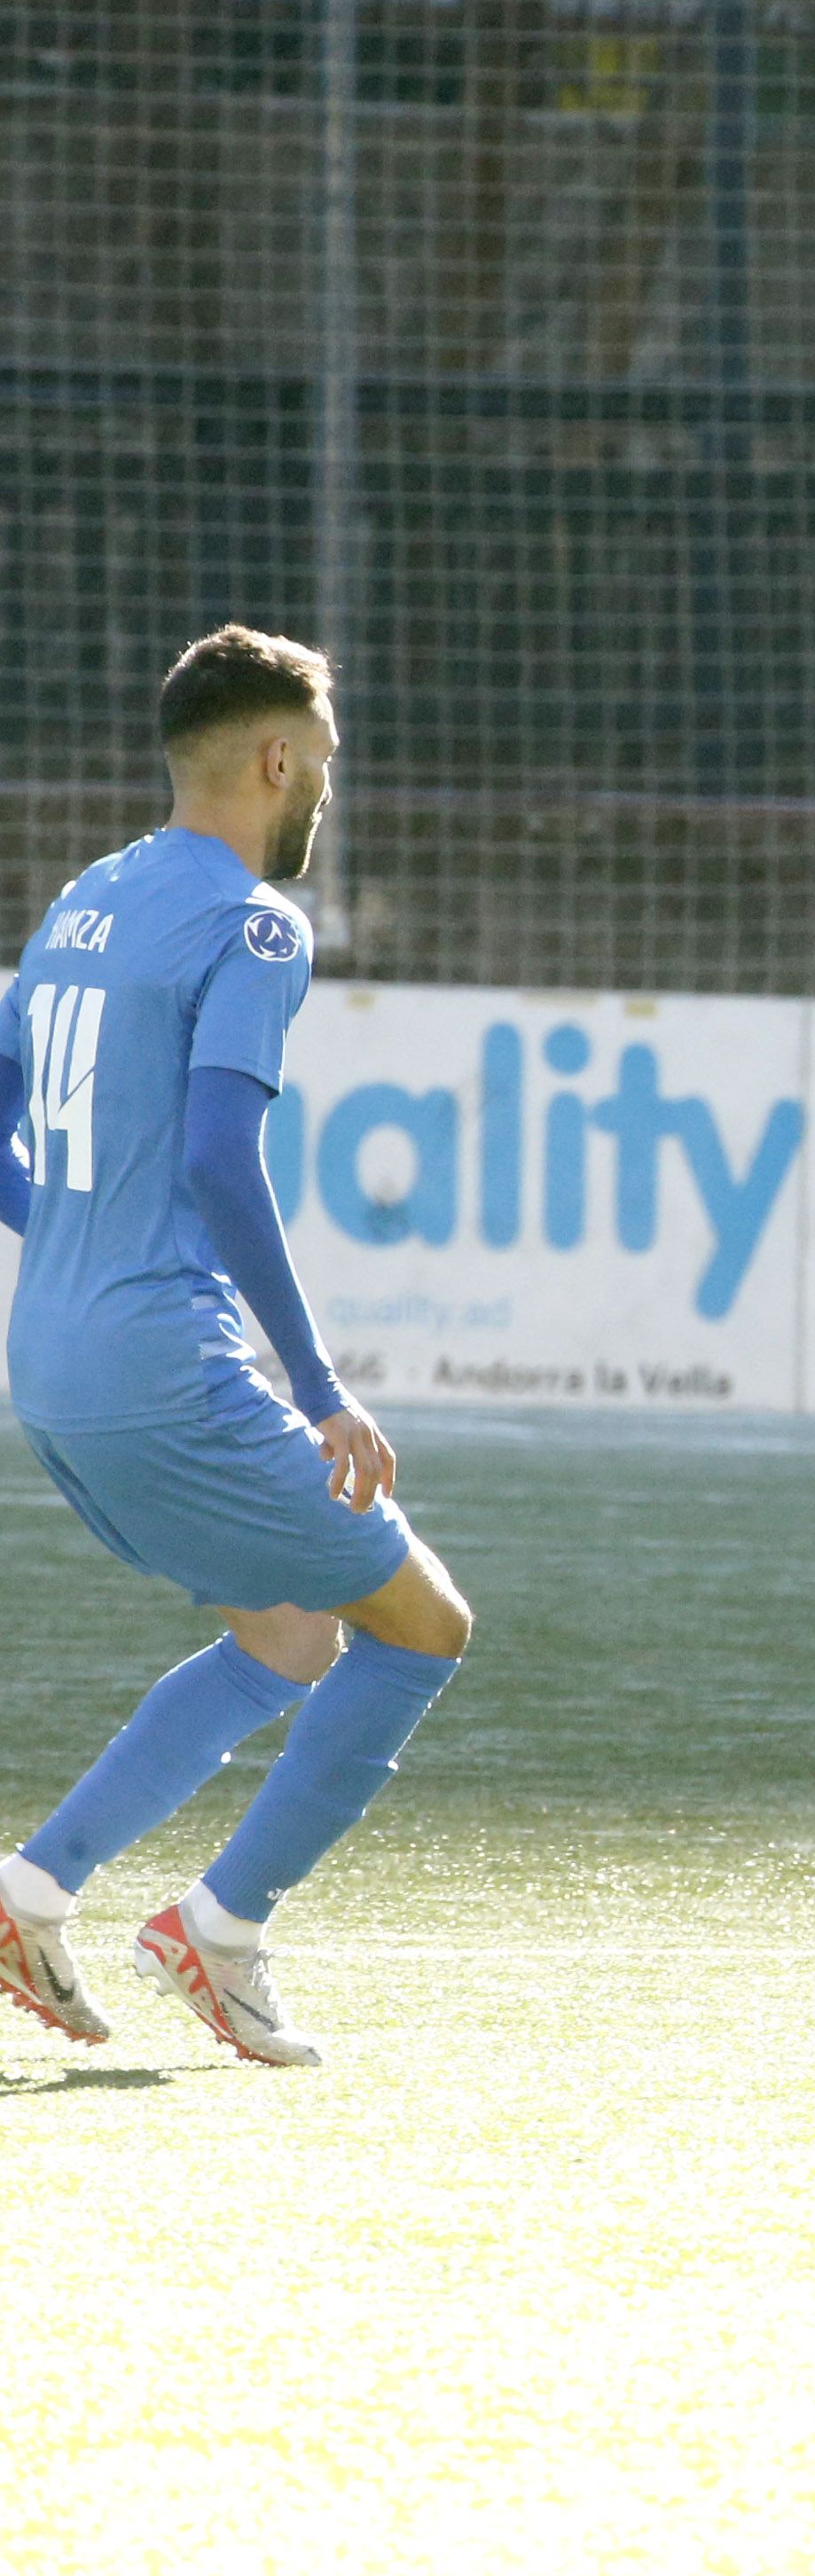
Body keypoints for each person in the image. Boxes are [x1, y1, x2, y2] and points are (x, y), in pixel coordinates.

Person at [0, 627, 481, 2071]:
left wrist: (68, 1230)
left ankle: (34, 1891)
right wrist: (322, 1390)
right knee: (425, 1625)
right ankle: (222, 1928)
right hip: (161, 1368)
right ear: (277, 759)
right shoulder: (257, 926)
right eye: (323, 759)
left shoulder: (85, 901)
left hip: (52, 1366)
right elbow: (221, 1158)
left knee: (288, 1632)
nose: (327, 783)